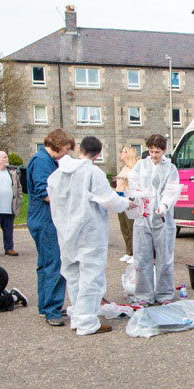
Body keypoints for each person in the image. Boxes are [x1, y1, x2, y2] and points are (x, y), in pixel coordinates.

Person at [47, 135, 128, 335]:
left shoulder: (57, 174)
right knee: (91, 277)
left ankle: (77, 317)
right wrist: (126, 203)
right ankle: (87, 322)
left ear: (79, 149)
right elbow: (109, 199)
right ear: (98, 154)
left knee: (73, 275)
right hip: (88, 232)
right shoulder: (93, 173)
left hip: (66, 232)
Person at [27, 128, 76, 326]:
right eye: (65, 148)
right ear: (57, 145)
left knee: (46, 264)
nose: (66, 153)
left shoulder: (46, 160)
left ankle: (45, 306)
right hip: (45, 220)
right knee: (55, 263)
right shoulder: (41, 161)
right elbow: (44, 191)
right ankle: (51, 310)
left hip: (43, 219)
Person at [128, 133, 181, 305]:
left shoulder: (170, 168)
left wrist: (164, 205)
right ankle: (144, 295)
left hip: (162, 218)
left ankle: (164, 293)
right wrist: (139, 199)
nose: (153, 155)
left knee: (165, 257)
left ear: (164, 151)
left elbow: (171, 189)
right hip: (143, 217)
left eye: (157, 152)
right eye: (151, 151)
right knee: (142, 257)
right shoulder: (141, 165)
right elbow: (134, 185)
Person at [115, 143, 139, 263]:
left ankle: (135, 253)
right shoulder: (124, 167)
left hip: (128, 197)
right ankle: (129, 252)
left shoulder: (133, 168)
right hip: (119, 197)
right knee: (123, 226)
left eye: (123, 151)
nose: (121, 153)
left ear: (128, 154)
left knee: (131, 227)